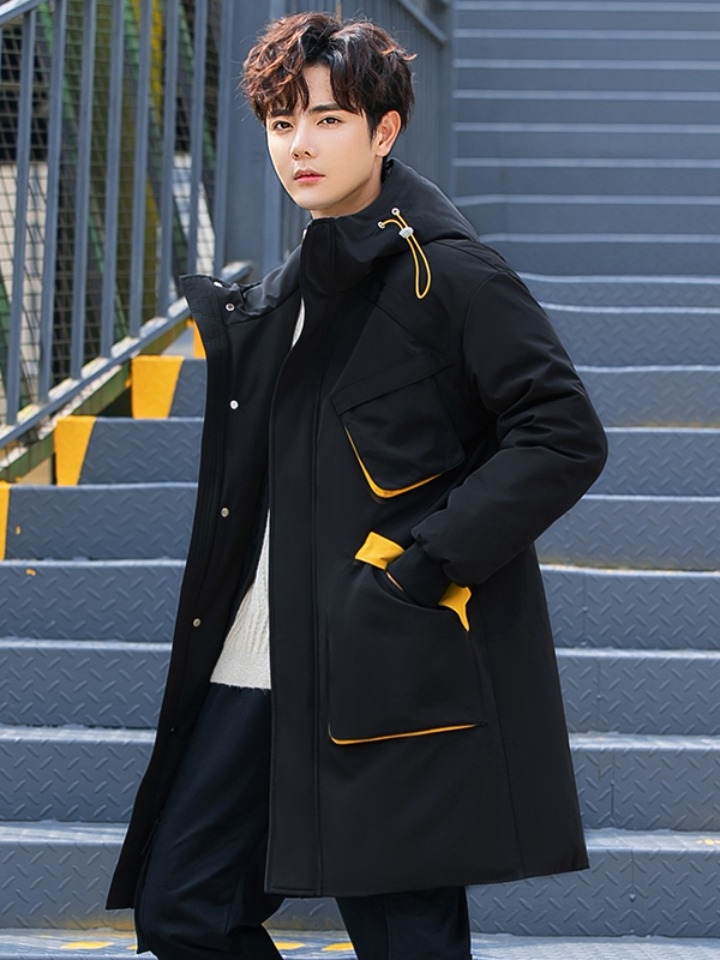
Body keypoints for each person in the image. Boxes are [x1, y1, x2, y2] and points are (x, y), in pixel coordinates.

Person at [107, 11, 607, 960]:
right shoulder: (288, 293)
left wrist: (421, 567)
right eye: (280, 121)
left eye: (328, 119)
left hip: (383, 652)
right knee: (183, 906)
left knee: (406, 938)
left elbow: (563, 434)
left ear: (385, 131)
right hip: (259, 654)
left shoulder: (448, 274)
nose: (298, 144)